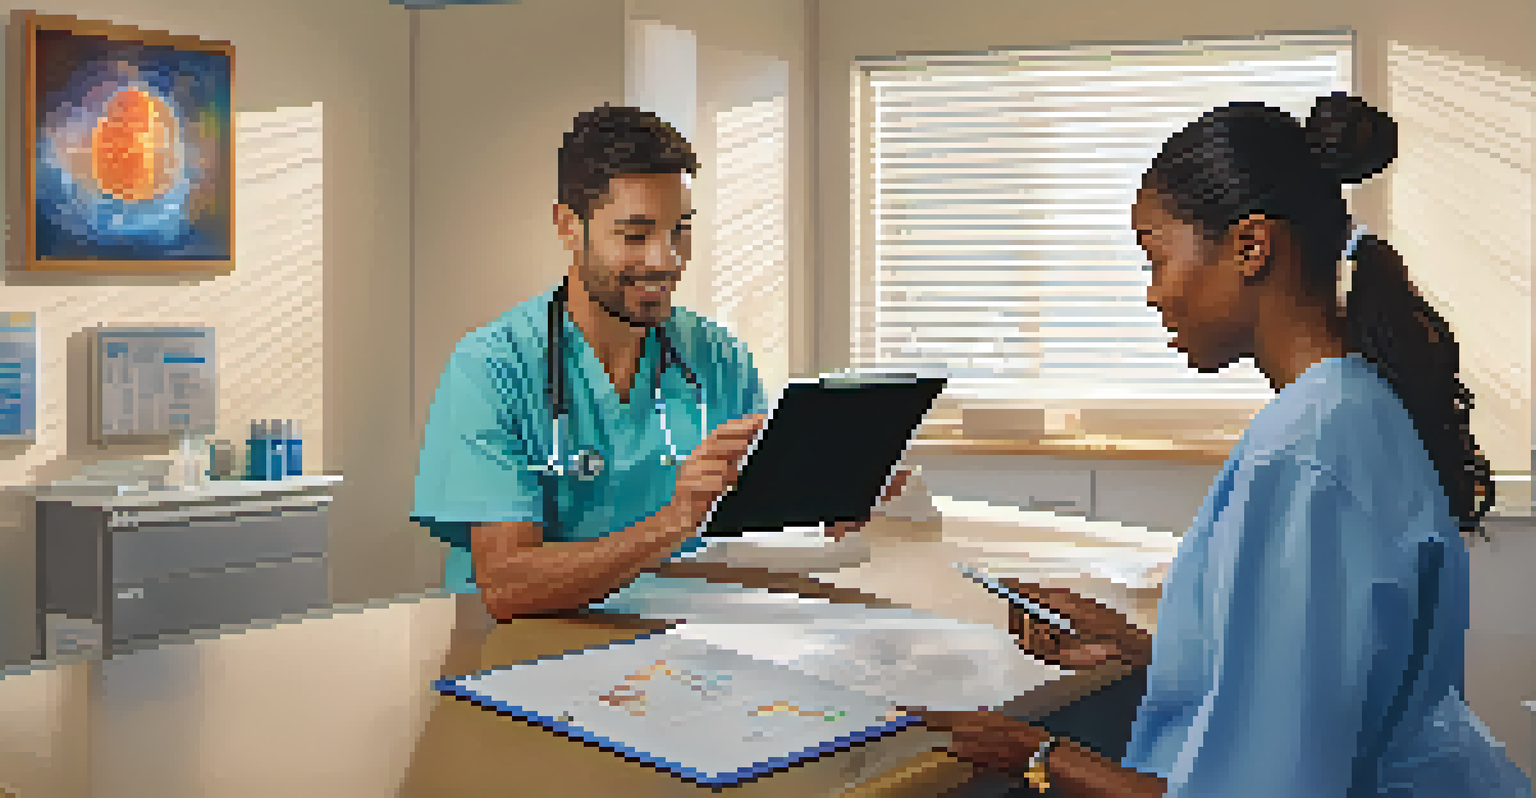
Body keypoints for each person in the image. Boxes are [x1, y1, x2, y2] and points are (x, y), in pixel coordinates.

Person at [912, 94, 1533, 797]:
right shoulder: (1349, 406)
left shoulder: (1306, 454)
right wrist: (1142, 646)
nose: (1151, 294)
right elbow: (1320, 678)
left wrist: (1039, 756)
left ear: (1250, 246)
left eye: (1157, 258)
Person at [411, 104, 908, 619]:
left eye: (680, 231)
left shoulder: (718, 357)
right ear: (567, 225)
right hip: (517, 659)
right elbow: (507, 585)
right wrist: (675, 520)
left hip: (681, 645)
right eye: (635, 235)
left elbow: (749, 531)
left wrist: (828, 499)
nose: (665, 259)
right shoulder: (491, 369)